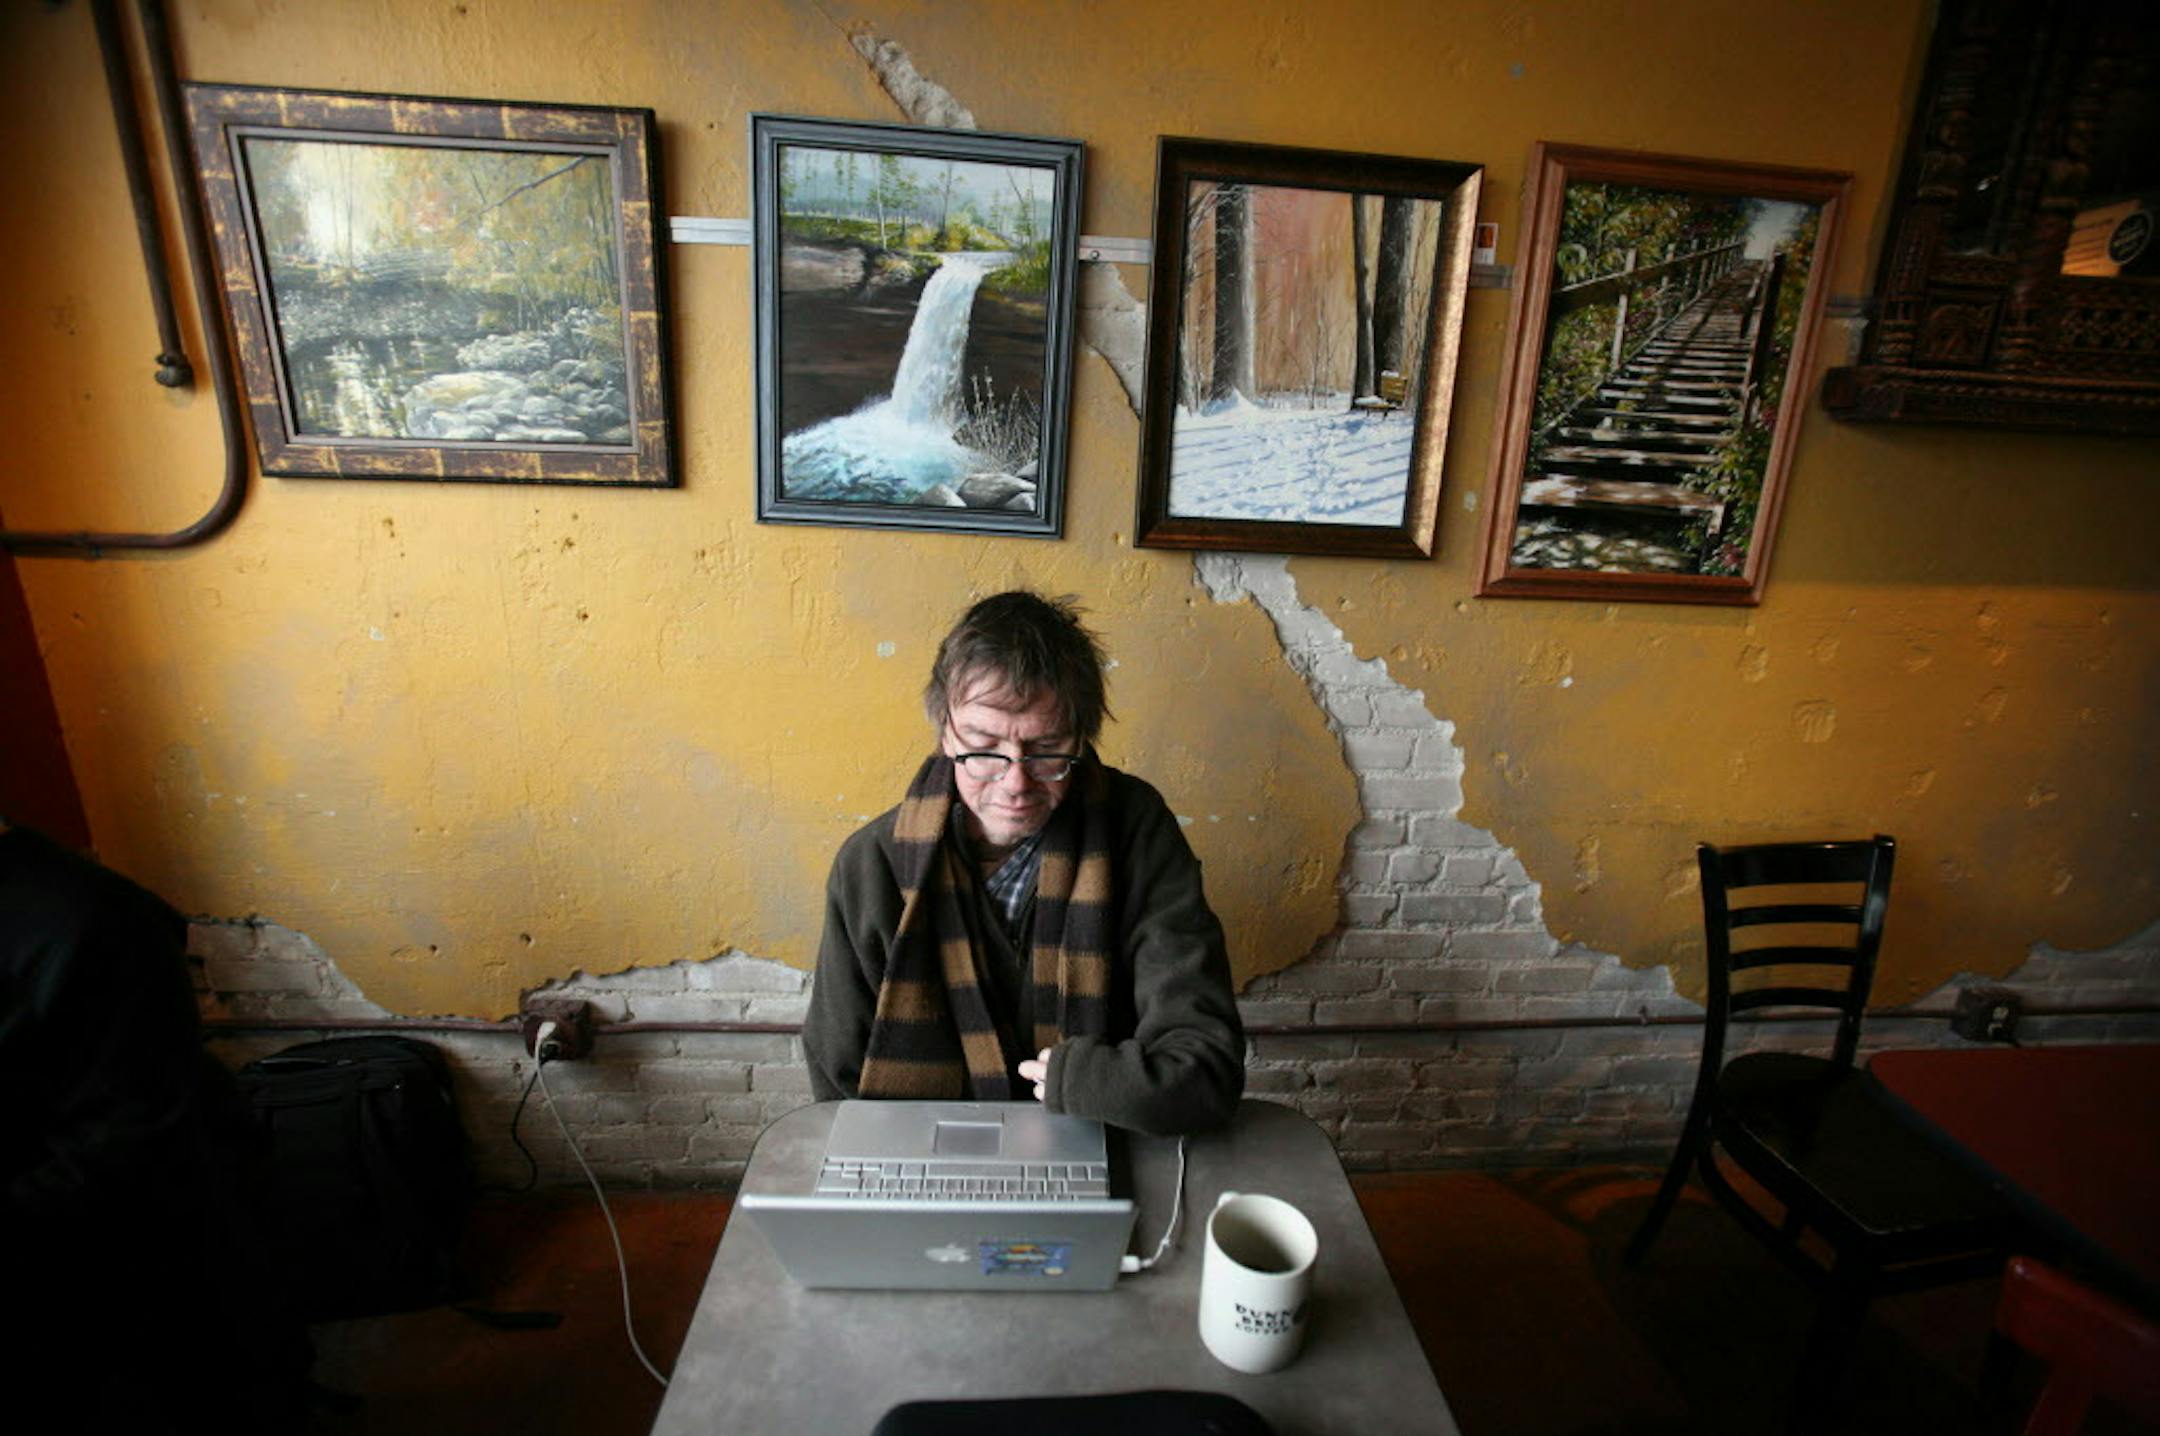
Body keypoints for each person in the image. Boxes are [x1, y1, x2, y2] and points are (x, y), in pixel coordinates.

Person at [803, 591, 1245, 1135]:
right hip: (923, 1153)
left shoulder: (1136, 831)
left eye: (1047, 748)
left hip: (1108, 1138)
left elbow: (1205, 1070)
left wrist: (1084, 1079)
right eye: (984, 746)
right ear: (946, 733)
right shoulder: (870, 864)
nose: (1016, 782)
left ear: (1081, 736)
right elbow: (840, 1091)